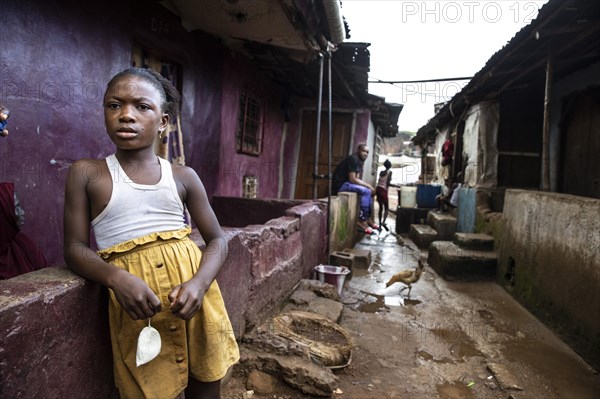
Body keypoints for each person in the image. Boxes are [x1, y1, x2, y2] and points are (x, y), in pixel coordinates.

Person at [63, 68, 239, 399]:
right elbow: (74, 248)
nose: (126, 115)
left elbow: (217, 240)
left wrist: (199, 284)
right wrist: (115, 278)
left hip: (195, 303)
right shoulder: (87, 173)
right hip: (138, 310)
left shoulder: (184, 176)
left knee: (206, 385)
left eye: (142, 107)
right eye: (114, 105)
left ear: (163, 122)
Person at [332, 144, 377, 234]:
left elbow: (357, 179)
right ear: (358, 150)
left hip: (348, 183)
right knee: (365, 190)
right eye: (363, 151)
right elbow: (352, 179)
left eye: (367, 152)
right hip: (341, 184)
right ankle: (361, 220)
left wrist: (368, 187)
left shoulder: (359, 161)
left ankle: (368, 218)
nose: (365, 154)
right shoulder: (353, 159)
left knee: (369, 192)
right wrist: (368, 185)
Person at [375, 159, 398, 231]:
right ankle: (383, 222)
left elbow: (379, 181)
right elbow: (388, 183)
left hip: (378, 189)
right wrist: (396, 186)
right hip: (383, 191)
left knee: (380, 208)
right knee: (386, 208)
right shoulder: (389, 172)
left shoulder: (381, 172)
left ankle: (379, 224)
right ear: (390, 166)